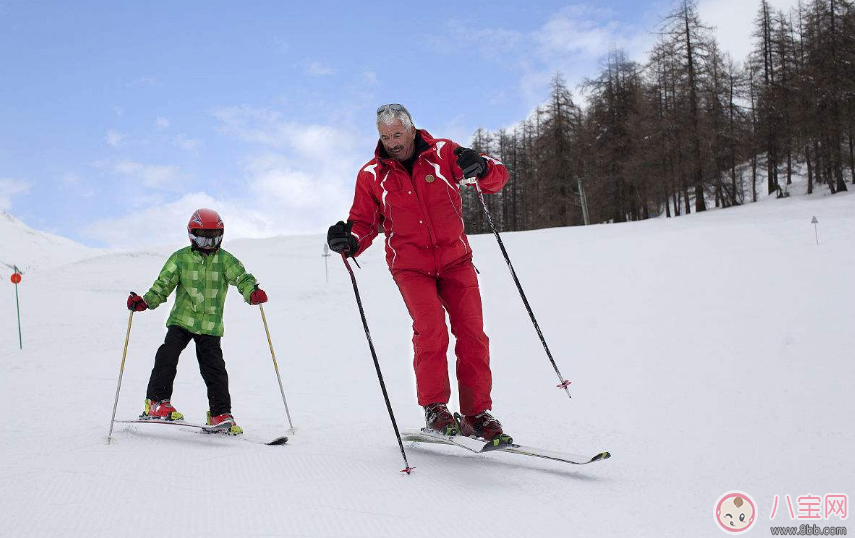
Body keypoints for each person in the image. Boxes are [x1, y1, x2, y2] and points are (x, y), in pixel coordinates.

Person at [327, 104, 511, 442]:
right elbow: (363, 223)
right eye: (385, 137)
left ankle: (476, 414)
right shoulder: (371, 175)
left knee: (472, 333)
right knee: (430, 330)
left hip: (456, 260)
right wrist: (348, 240)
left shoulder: (443, 152)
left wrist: (482, 168)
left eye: (397, 134)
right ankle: (436, 408)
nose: (392, 142)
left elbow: (497, 177)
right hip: (411, 266)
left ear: (412, 130)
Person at [127, 208, 268, 435]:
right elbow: (163, 285)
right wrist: (145, 301)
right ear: (192, 235)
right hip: (182, 320)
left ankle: (220, 414)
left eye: (214, 238)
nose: (209, 243)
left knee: (215, 370)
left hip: (210, 326)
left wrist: (252, 291)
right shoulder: (180, 258)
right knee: (167, 355)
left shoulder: (225, 260)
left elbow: (242, 277)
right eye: (203, 237)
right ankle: (156, 402)